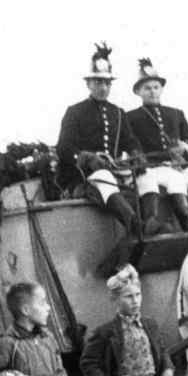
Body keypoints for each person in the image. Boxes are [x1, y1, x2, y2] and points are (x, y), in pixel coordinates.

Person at [56, 43, 144, 234]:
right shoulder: (75, 112)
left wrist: (137, 154)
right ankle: (137, 228)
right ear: (88, 84)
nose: (103, 88)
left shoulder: (118, 113)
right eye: (98, 83)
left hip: (112, 171)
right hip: (83, 176)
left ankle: (152, 224)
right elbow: (63, 148)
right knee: (104, 178)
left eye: (107, 83)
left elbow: (130, 141)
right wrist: (86, 158)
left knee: (145, 179)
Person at [126, 58, 188, 232]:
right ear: (138, 92)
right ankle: (187, 224)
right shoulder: (131, 118)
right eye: (147, 88)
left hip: (180, 165)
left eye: (155, 87)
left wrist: (187, 147)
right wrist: (164, 156)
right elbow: (134, 147)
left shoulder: (175, 114)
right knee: (174, 179)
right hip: (153, 167)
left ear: (161, 89)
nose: (152, 92)